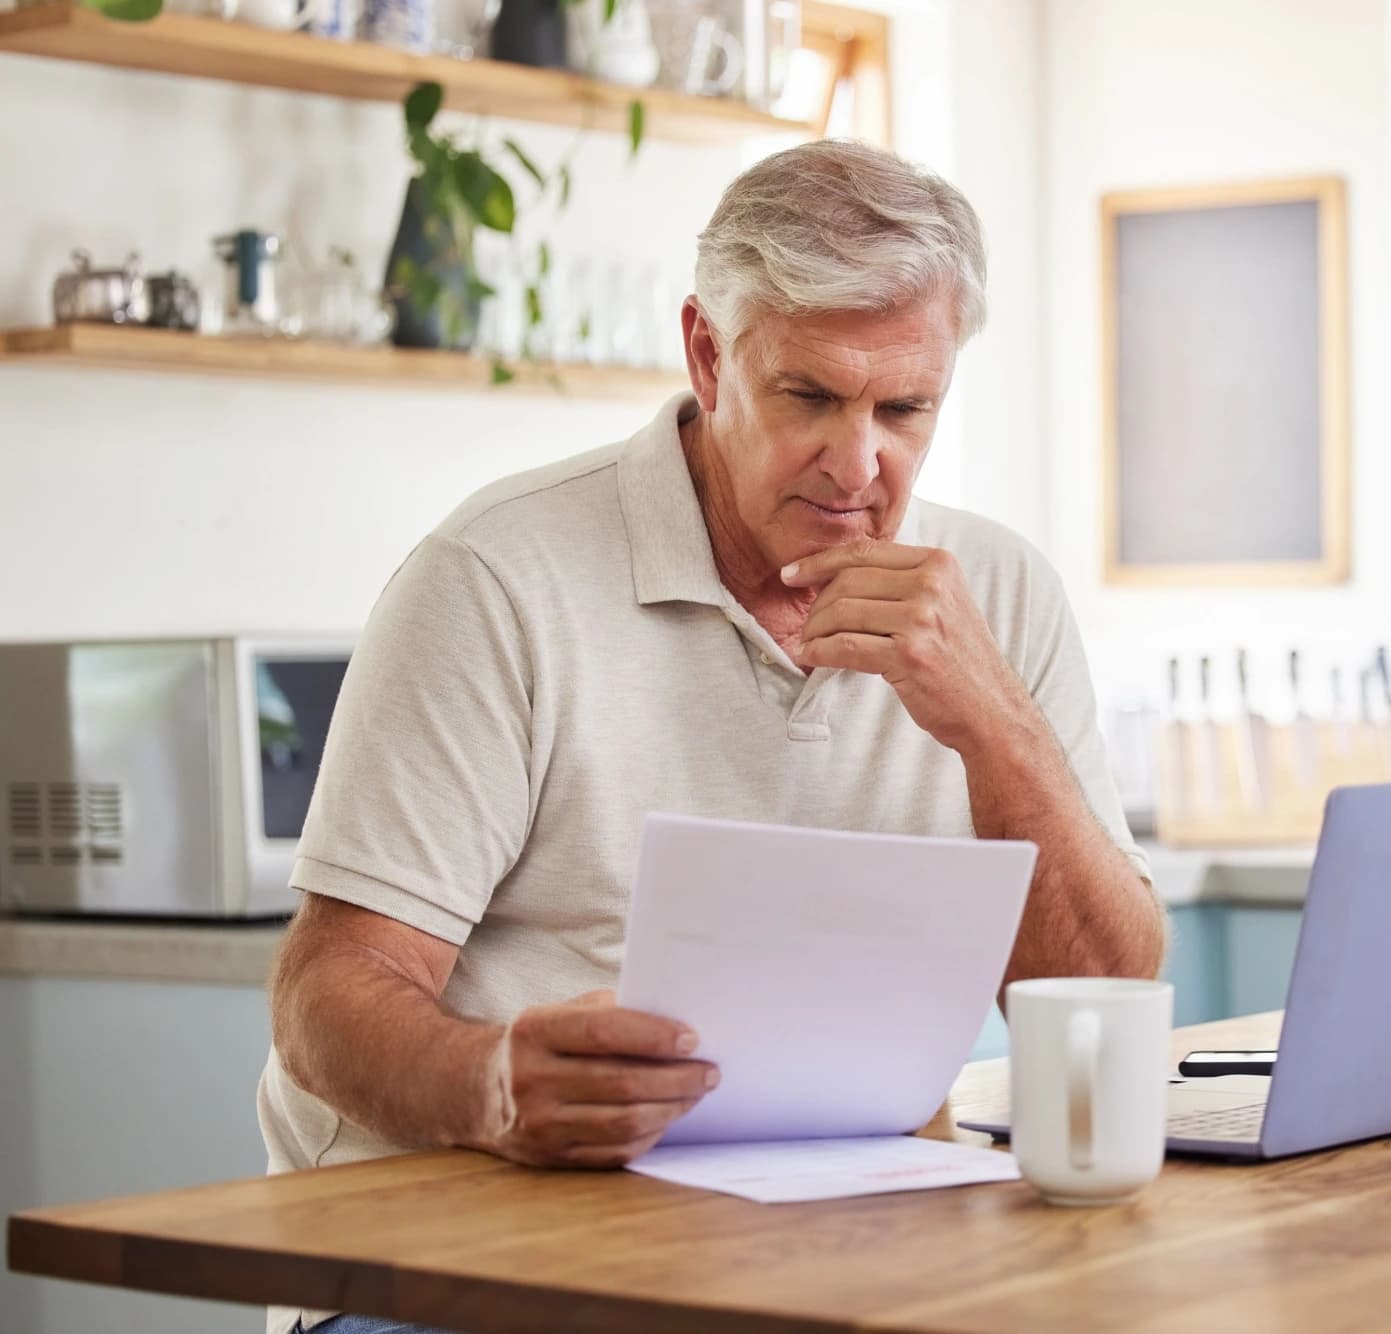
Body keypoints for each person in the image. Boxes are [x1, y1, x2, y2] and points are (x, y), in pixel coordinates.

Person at [259, 140, 1165, 1334]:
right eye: (809, 397)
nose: (859, 462)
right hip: (453, 1254)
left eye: (905, 408)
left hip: (820, 1243)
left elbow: (1102, 996)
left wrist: (993, 723)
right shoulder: (495, 578)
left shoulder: (998, 590)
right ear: (706, 353)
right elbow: (326, 993)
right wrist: (491, 1086)